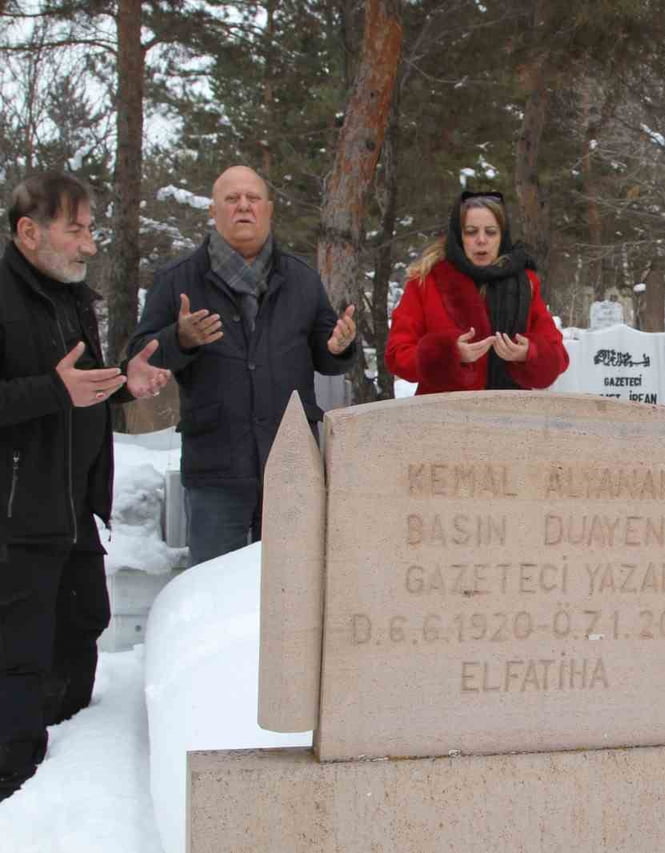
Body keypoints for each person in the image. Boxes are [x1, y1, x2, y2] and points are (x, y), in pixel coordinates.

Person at [0, 171, 171, 801]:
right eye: (76, 229)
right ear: (28, 231)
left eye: (91, 229)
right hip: (15, 519)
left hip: (72, 510)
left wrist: (123, 384)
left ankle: (71, 777)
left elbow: (81, 389)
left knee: (83, 625)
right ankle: (15, 793)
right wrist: (53, 390)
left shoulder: (70, 297)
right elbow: (55, 391)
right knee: (18, 658)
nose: (90, 244)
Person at [128, 165, 358, 566]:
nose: (243, 207)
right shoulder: (178, 280)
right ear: (214, 212)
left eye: (252, 199)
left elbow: (327, 355)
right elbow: (141, 358)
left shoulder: (301, 279)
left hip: (290, 467)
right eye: (232, 200)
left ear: (268, 210)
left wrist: (340, 347)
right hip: (216, 467)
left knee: (293, 594)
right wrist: (178, 339)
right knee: (214, 600)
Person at [386, 191, 568, 393]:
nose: (481, 240)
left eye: (491, 232)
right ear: (458, 235)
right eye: (471, 232)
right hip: (441, 417)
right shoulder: (425, 281)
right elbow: (397, 354)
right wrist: (448, 354)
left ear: (502, 236)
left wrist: (529, 353)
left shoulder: (525, 283)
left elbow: (558, 355)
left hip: (510, 417)